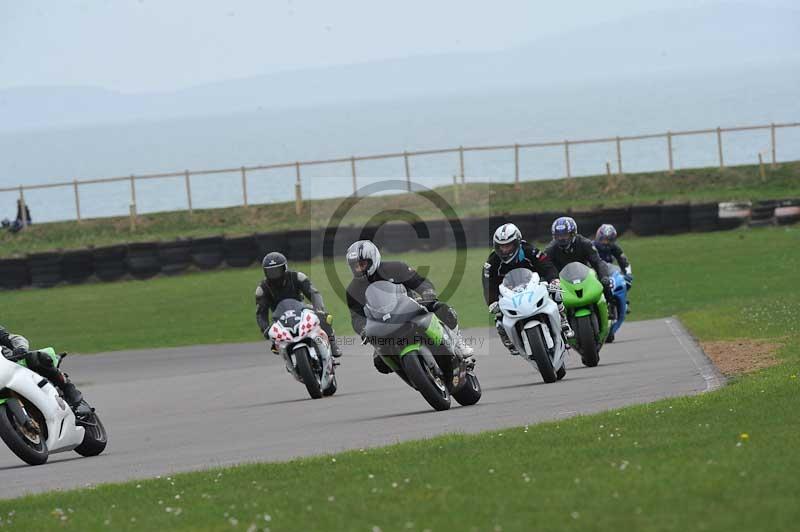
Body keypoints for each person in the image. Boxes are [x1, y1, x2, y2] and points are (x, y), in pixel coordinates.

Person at [344, 240, 473, 374]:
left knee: (442, 308)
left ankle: (458, 343)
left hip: (409, 308)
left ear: (373, 259)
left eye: (362, 264)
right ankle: (410, 372)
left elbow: (419, 281)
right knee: (380, 363)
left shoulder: (395, 268)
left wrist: (427, 292)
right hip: (382, 325)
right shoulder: (352, 290)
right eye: (355, 266)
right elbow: (356, 317)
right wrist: (363, 329)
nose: (359, 269)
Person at [483, 223, 574, 356]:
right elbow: (488, 284)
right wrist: (492, 301)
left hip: (534, 286)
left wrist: (553, 280)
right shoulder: (492, 262)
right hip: (510, 293)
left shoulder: (529, 250)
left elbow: (546, 265)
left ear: (517, 242)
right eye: (501, 246)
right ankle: (507, 337)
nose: (505, 250)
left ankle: (563, 320)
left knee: (556, 292)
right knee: (498, 314)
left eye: (508, 245)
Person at [255, 252, 342, 357]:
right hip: (280, 319)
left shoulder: (297, 277)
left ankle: (333, 345)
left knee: (325, 318)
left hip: (302, 311)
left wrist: (319, 309)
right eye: (271, 272)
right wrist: (265, 329)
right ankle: (288, 358)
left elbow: (314, 294)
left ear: (285, 268)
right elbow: (261, 313)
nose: (275, 275)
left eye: (277, 271)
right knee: (275, 345)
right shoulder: (262, 289)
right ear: (265, 272)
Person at [0, 325, 84, 409]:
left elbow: (14, 338)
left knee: (35, 358)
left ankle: (67, 387)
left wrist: (20, 348)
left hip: (13, 363)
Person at [545, 216, 614, 303]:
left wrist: (604, 276)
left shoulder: (584, 243)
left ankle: (610, 304)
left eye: (565, 235)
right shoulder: (550, 249)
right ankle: (560, 314)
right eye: (558, 236)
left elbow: (597, 262)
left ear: (573, 234)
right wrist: (547, 281)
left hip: (586, 277)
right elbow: (545, 267)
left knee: (605, 283)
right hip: (563, 283)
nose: (561, 239)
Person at [594, 224, 633, 313]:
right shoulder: (591, 247)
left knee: (624, 280)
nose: (605, 242)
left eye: (608, 240)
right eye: (603, 239)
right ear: (598, 237)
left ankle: (623, 301)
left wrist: (628, 274)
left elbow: (624, 261)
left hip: (608, 271)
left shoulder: (615, 248)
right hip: (593, 270)